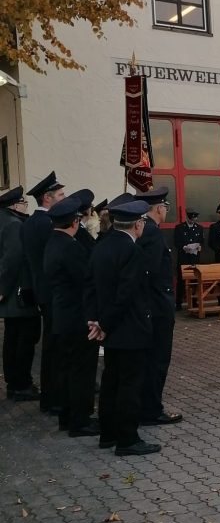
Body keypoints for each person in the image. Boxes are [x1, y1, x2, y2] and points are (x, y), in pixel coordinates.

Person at [85, 197, 160, 457]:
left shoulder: (101, 246)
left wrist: (96, 320)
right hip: (130, 327)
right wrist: (104, 323)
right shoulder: (132, 251)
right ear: (138, 224)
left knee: (111, 381)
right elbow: (125, 295)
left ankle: (108, 433)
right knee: (129, 385)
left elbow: (90, 286)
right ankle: (127, 439)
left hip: (110, 327)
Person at [43, 194, 100, 437]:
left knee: (66, 369)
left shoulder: (52, 243)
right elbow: (85, 280)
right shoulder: (71, 247)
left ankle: (66, 417)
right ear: (75, 222)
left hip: (62, 315)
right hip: (78, 318)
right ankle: (81, 421)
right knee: (82, 371)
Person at [21, 170, 65, 413]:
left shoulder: (30, 222)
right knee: (55, 347)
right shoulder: (48, 223)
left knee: (51, 344)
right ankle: (54, 398)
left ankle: (51, 397)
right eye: (60, 195)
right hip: (54, 292)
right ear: (47, 197)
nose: (64, 198)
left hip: (43, 291)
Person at [137, 186, 182, 427]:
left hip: (151, 305)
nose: (166, 210)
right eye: (165, 206)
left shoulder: (145, 230)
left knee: (151, 359)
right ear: (158, 208)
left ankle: (147, 405)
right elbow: (152, 272)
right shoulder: (152, 233)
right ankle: (152, 409)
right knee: (158, 359)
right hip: (157, 306)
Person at [0, 186, 41, 401]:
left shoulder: (5, 221)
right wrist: (2, 289)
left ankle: (14, 383)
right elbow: (12, 260)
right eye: (24, 203)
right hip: (19, 295)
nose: (26, 206)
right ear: (15, 205)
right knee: (23, 341)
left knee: (12, 339)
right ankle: (20, 385)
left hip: (13, 295)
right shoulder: (14, 224)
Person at [173, 208, 204, 310]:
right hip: (184, 257)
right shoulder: (179, 228)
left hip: (195, 257)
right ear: (187, 217)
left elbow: (201, 241)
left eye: (194, 219)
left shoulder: (199, 228)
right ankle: (179, 302)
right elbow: (176, 242)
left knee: (195, 279)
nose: (193, 220)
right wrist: (184, 247)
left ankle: (194, 301)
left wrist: (199, 247)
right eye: (191, 218)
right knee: (181, 280)